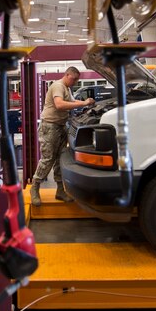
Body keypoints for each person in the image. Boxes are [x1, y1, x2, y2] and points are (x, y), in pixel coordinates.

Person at [30, 67, 95, 206]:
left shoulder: (67, 88)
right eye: (74, 79)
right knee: (48, 159)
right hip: (50, 127)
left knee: (60, 159)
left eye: (77, 80)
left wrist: (86, 103)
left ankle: (60, 191)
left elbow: (73, 103)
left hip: (60, 126)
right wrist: (84, 103)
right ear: (67, 75)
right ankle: (35, 188)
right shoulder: (58, 86)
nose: (75, 82)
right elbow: (59, 105)